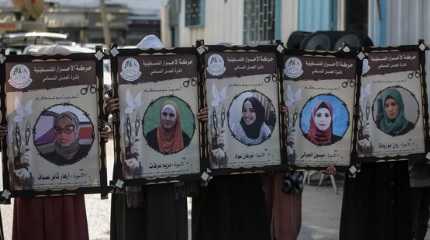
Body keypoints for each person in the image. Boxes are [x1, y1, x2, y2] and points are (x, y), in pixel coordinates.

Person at [6, 44, 111, 240]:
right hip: (32, 192)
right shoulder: (20, 99)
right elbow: (11, 141)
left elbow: (93, 141)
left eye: (60, 67)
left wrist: (101, 137)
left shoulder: (78, 96)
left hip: (68, 191)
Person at [110, 34, 191, 240]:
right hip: (132, 173)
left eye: (157, 58)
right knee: (133, 226)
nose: (152, 62)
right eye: (147, 58)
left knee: (164, 224)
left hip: (167, 175)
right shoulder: (123, 85)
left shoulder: (177, 85)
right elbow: (109, 118)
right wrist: (110, 107)